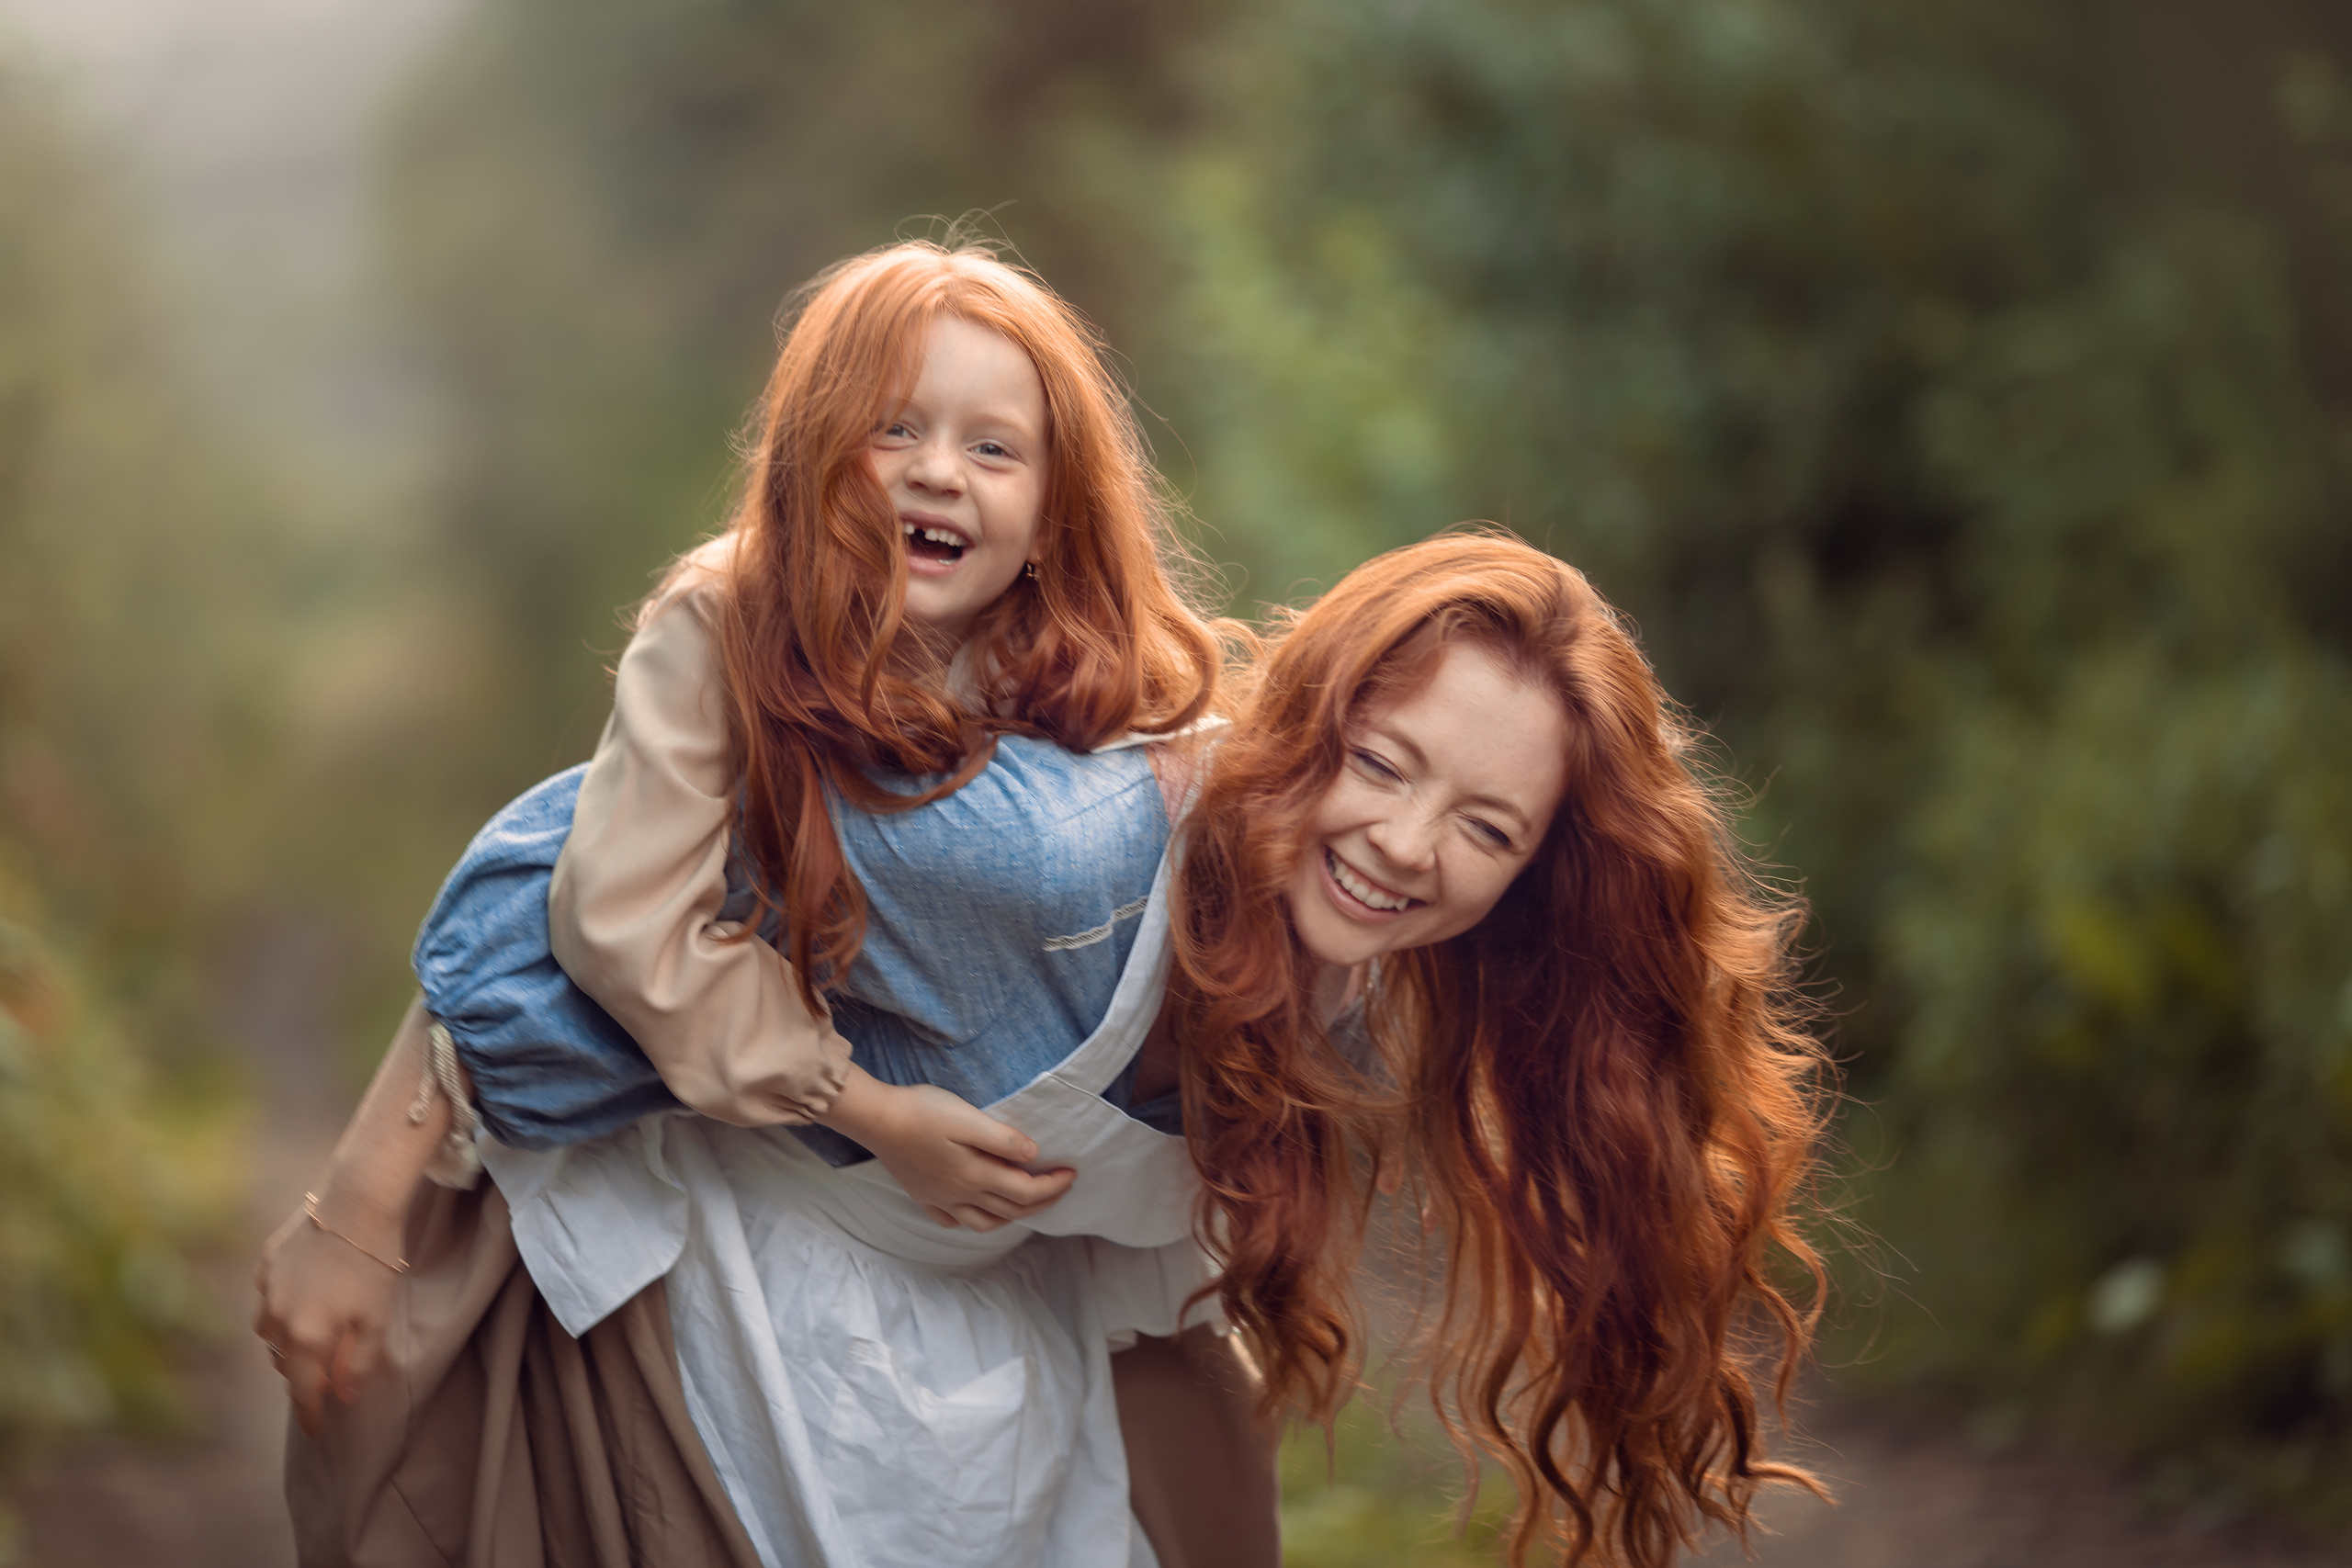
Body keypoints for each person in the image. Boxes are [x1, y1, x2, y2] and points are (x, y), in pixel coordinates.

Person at [255, 238, 1271, 1567]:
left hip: (1014, 1266)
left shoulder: (1089, 692)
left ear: (1054, 506)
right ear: (815, 451)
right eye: (894, 428)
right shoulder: (732, 622)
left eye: (993, 448)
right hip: (778, 1207)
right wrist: (867, 1108)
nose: (938, 471)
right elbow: (612, 911)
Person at [1168, 532, 1830, 1568]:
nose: (1405, 845)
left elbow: (1134, 1303)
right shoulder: (1095, 848)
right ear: (1307, 715)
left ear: (1534, 876)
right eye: (1380, 764)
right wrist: (877, 1107)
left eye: (1486, 831)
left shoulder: (1347, 985)